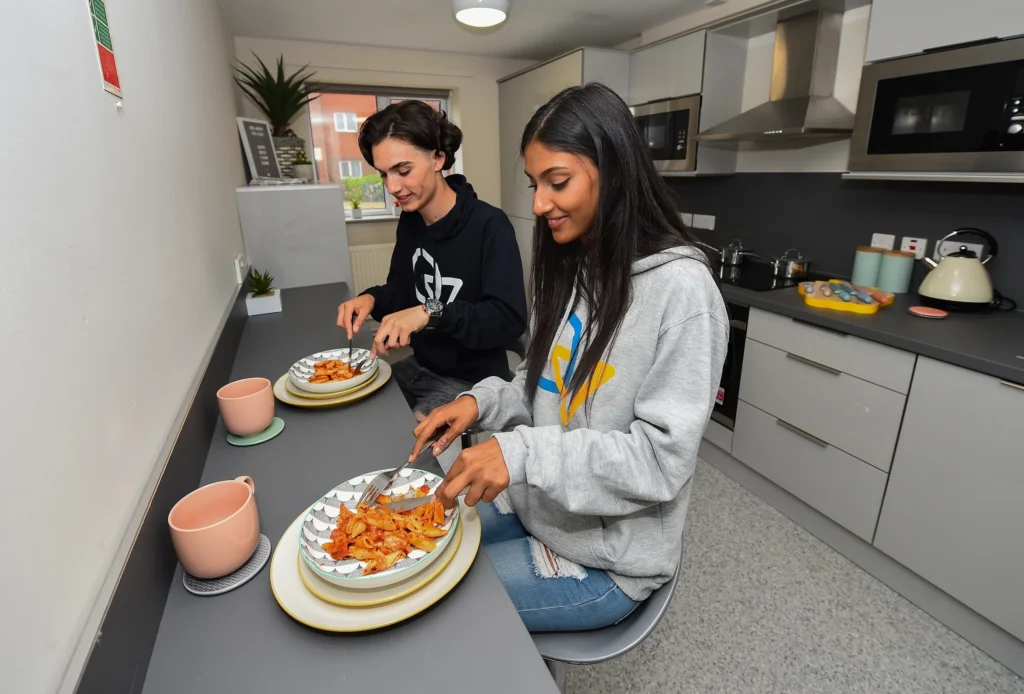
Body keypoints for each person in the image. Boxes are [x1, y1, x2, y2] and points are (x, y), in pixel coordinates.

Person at [408, 83, 729, 632]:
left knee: (433, 606)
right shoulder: (580, 267)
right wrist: (479, 402)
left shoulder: (683, 295)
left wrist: (523, 453)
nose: (538, 204)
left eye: (558, 183)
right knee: (415, 545)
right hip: (544, 509)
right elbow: (539, 379)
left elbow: (659, 462)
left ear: (616, 172)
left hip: (607, 560)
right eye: (535, 185)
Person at [336, 101, 527, 420]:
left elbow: (508, 320)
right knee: (356, 411)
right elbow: (401, 295)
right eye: (384, 174)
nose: (392, 187)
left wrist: (431, 313)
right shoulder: (411, 222)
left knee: (395, 441)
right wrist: (369, 298)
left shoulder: (489, 225)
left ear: (438, 157)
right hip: (420, 367)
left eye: (403, 170)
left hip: (472, 382)